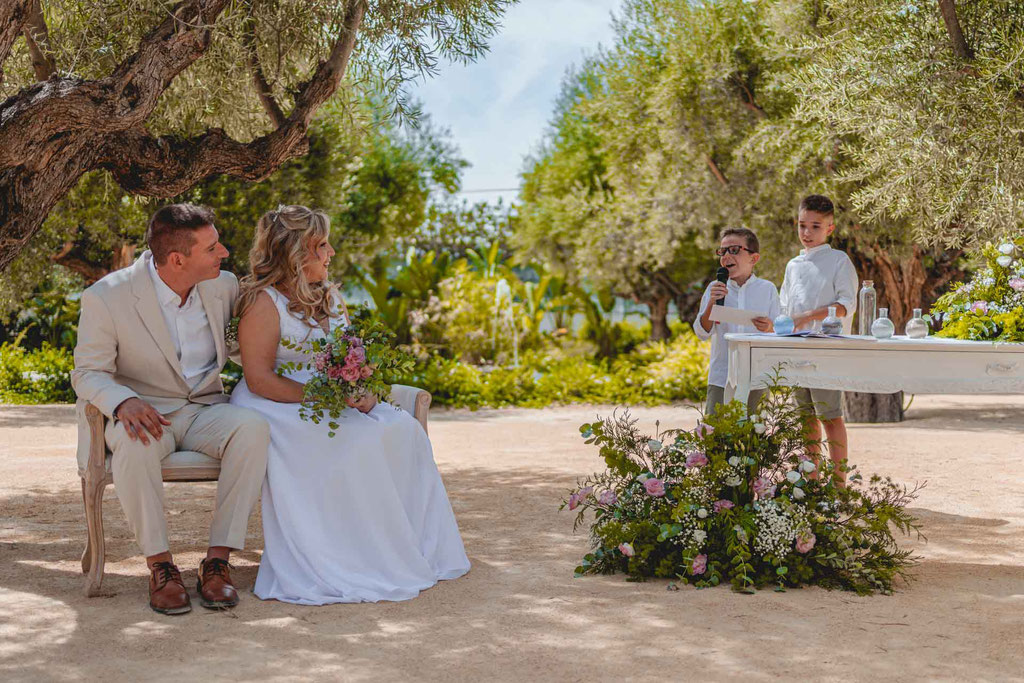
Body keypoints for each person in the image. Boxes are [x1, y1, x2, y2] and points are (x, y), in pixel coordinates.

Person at [229, 205, 470, 604]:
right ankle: (352, 557)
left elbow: (350, 354)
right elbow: (259, 378)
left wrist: (364, 387)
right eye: (322, 245)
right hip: (277, 401)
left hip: (327, 395)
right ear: (295, 252)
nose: (331, 252)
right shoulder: (263, 303)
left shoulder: (329, 297)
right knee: (355, 441)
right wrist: (326, 397)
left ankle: (406, 547)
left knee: (403, 431)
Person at [72, 204, 270, 615]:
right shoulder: (106, 297)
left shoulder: (224, 286)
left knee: (252, 428)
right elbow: (87, 373)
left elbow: (247, 343)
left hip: (204, 410)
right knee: (134, 442)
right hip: (144, 412)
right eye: (212, 247)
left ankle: (217, 562)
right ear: (178, 259)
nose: (225, 253)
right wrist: (123, 401)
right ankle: (161, 567)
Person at [779, 194, 858, 486]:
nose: (807, 233)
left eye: (815, 226)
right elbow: (784, 307)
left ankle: (839, 484)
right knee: (805, 417)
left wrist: (806, 316)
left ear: (830, 229)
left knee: (830, 415)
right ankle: (810, 482)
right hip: (797, 349)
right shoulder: (792, 265)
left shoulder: (839, 261)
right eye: (802, 225)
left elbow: (846, 304)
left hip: (826, 349)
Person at [694, 227, 781, 415]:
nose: (726, 256)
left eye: (733, 250)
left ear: (753, 258)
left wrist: (769, 327)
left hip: (756, 376)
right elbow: (702, 332)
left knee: (754, 438)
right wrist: (711, 302)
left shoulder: (767, 289)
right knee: (715, 437)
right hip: (721, 376)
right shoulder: (713, 288)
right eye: (722, 251)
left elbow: (779, 333)